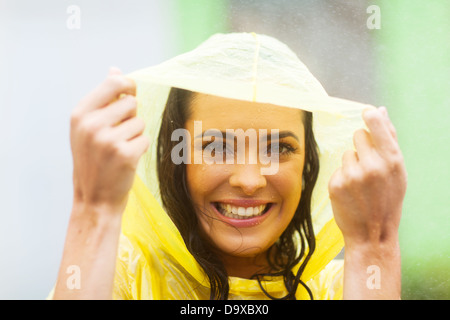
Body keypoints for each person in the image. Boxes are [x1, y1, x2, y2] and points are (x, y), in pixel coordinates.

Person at [51, 33, 407, 300]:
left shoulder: (345, 286)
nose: (249, 181)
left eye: (279, 148)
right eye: (218, 147)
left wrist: (375, 245)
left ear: (308, 164)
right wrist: (93, 209)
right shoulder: (122, 273)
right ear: (177, 161)